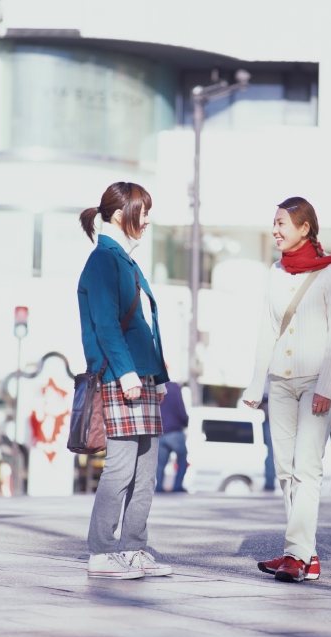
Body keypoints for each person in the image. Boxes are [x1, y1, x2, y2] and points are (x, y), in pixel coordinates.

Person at [242, 197, 331, 583]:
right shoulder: (275, 273)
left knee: (306, 469)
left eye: (282, 223)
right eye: (274, 223)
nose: (276, 230)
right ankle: (306, 558)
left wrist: (327, 386)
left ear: (305, 228)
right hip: (280, 381)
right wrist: (255, 383)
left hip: (318, 382)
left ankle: (294, 554)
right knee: (284, 470)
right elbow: (267, 329)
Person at [78, 181, 172, 580]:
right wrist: (128, 373)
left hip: (141, 376)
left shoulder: (123, 258)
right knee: (120, 470)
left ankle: (133, 547)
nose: (147, 220)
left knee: (146, 472)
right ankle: (101, 553)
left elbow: (145, 324)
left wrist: (160, 377)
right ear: (120, 215)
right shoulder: (104, 259)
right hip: (121, 378)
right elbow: (105, 324)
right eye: (142, 211)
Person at [156, 381, 189, 492]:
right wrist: (185, 421)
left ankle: (159, 487)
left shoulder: (155, 386)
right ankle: (177, 486)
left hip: (160, 431)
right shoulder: (174, 387)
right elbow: (180, 407)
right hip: (174, 431)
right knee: (182, 461)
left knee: (160, 464)